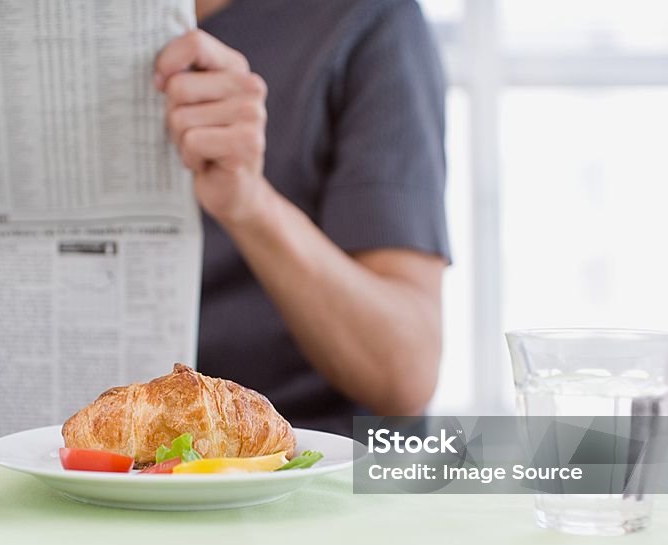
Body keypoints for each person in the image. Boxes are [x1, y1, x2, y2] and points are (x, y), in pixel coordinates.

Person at [155, 0, 449, 436]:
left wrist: (249, 202)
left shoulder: (367, 19)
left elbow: (406, 371)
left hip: (311, 458)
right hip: (75, 460)